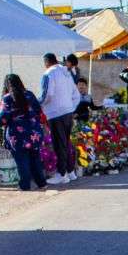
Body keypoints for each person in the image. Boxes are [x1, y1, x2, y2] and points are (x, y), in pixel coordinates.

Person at [0, 74, 50, 191]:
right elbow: (38, 111)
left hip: (17, 135)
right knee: (35, 158)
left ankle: (25, 185)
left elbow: (2, 119)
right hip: (34, 133)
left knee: (22, 160)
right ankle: (42, 183)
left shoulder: (7, 98)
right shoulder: (29, 94)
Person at [40, 52, 82, 184]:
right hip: (68, 112)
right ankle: (70, 171)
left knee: (59, 144)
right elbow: (76, 94)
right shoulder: (66, 73)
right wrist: (70, 107)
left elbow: (48, 94)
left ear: (46, 62)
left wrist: (38, 104)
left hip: (55, 113)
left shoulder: (49, 73)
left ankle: (62, 174)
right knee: (66, 142)